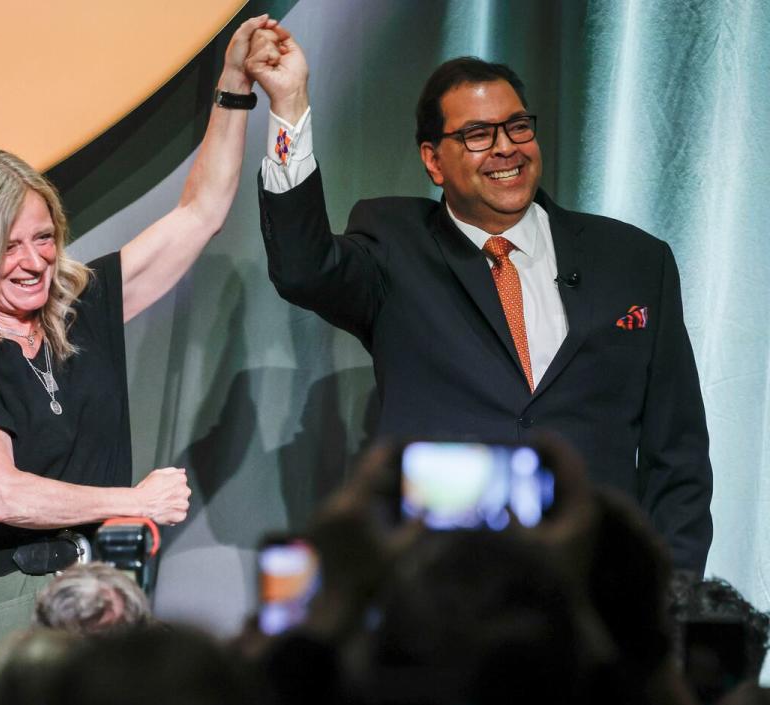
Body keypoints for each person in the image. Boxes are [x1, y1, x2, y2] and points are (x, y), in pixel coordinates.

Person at [0, 15, 283, 674]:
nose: (34, 261)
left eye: (43, 237)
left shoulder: (77, 310)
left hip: (96, 593)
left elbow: (201, 212)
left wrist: (235, 85)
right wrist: (135, 500)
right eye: (7, 245)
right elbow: (2, 496)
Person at [244, 31, 712, 574]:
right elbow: (303, 269)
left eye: (517, 126)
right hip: (439, 594)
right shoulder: (395, 246)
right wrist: (289, 106)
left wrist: (671, 603)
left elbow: (676, 455)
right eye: (476, 134)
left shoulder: (634, 259)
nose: (506, 147)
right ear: (433, 161)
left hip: (593, 597)